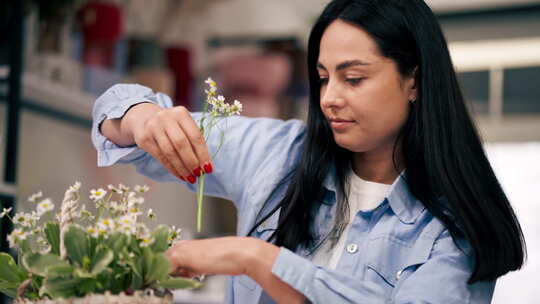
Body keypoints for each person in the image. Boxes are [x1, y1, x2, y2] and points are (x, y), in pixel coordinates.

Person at [92, 0, 526, 303]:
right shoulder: (278, 155)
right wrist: (143, 117)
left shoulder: (453, 232)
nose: (329, 98)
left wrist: (255, 258)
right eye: (323, 78)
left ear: (414, 80)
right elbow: (116, 119)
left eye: (353, 78)